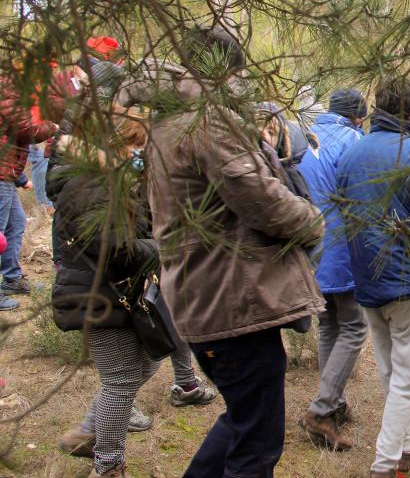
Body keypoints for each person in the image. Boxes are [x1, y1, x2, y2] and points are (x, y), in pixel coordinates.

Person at [119, 25, 326, 477]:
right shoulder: (207, 122)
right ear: (224, 72)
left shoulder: (169, 124)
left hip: (209, 296)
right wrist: (313, 221)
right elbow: (260, 198)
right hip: (232, 302)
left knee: (241, 421)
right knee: (256, 443)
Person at [336, 76, 410, 478]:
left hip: (366, 276)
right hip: (408, 277)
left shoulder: (352, 155)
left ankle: (406, 447)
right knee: (406, 377)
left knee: (390, 369)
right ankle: (385, 464)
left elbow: (343, 211)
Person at [47, 110, 159, 478]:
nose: (140, 152)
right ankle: (107, 465)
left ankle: (89, 431)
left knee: (147, 363)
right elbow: (108, 244)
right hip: (96, 294)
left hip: (119, 290)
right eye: (136, 144)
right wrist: (158, 248)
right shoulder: (91, 184)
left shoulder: (118, 180)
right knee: (121, 379)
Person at [297, 88, 369, 450]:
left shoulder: (306, 134)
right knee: (354, 326)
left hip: (308, 244)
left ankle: (334, 401)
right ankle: (322, 409)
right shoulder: (355, 140)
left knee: (329, 324)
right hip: (342, 246)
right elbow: (363, 199)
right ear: (358, 116)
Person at [0, 63, 65, 307]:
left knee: (16, 224)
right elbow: (26, 129)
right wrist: (53, 127)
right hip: (1, 173)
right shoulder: (9, 90)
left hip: (6, 172)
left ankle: (11, 278)